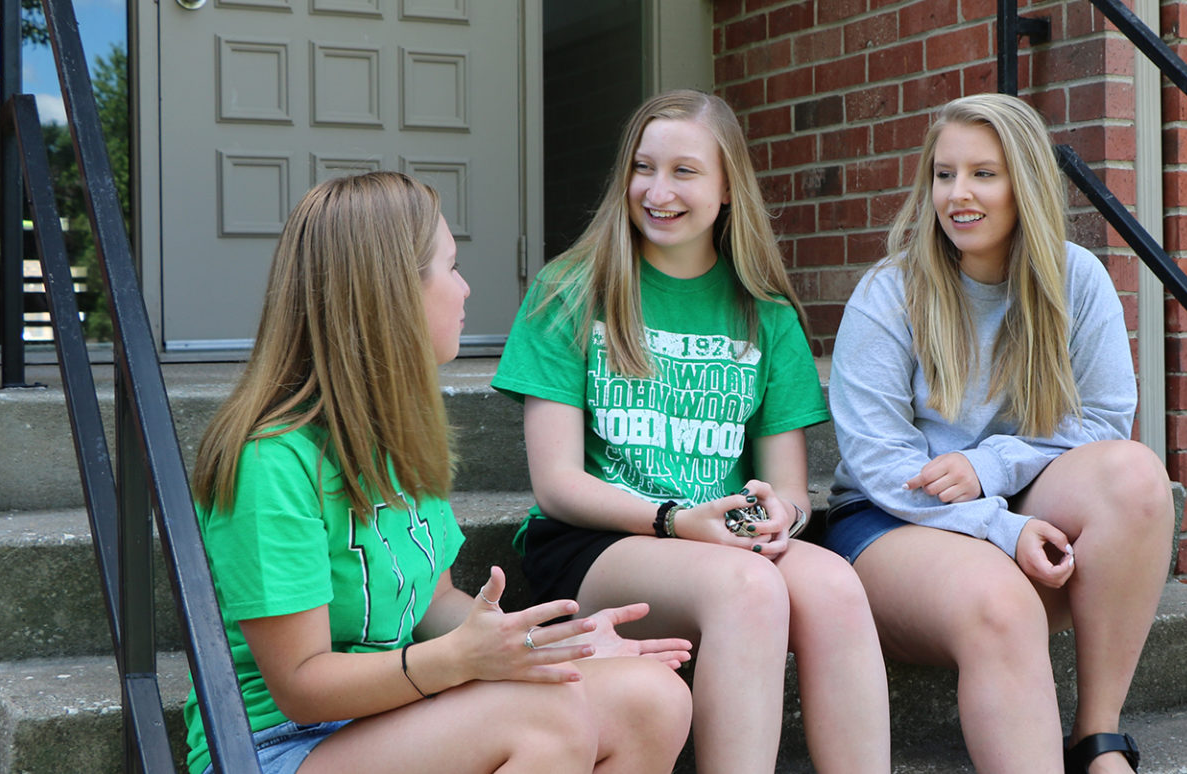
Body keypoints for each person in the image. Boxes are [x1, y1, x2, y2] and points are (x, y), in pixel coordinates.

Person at [184, 171, 693, 774]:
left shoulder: (393, 434)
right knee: (546, 718)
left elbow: (434, 603)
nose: (466, 288)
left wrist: (551, 642)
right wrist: (461, 661)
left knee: (652, 698)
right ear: (392, 294)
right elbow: (301, 684)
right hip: (279, 745)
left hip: (390, 716)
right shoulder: (270, 460)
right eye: (450, 267)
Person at [492, 90, 891, 774]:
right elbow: (557, 485)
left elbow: (792, 491)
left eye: (685, 171)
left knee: (834, 587)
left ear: (728, 185)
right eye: (644, 168)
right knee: (747, 588)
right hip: (604, 542)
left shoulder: (766, 316)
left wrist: (778, 516)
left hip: (723, 537)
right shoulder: (569, 290)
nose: (657, 190)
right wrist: (677, 520)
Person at [824, 93, 1177, 774]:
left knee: (1134, 476)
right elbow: (878, 460)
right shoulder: (890, 292)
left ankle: (1098, 737)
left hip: (1014, 501)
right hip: (890, 521)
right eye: (944, 174)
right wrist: (1001, 527)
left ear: (1026, 183)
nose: (959, 194)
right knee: (1001, 599)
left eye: (984, 174)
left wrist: (990, 467)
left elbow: (1102, 424)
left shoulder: (1076, 278)